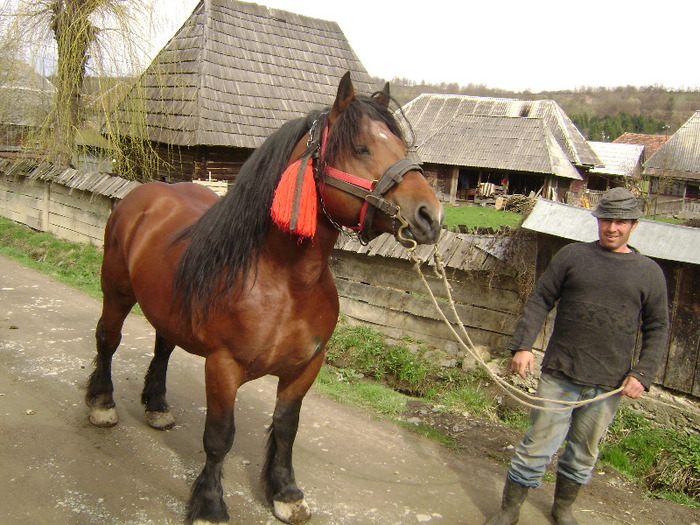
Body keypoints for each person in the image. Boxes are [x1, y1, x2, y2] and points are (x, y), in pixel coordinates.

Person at [484, 187, 669, 525]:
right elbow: (540, 298)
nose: (612, 228)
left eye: (621, 222)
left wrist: (642, 374)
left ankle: (563, 508)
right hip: (560, 373)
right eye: (606, 220)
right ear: (597, 221)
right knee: (537, 446)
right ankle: (509, 510)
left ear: (634, 225)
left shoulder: (649, 273)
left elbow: (658, 330)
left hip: (608, 383)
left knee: (583, 453)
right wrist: (523, 345)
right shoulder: (573, 257)